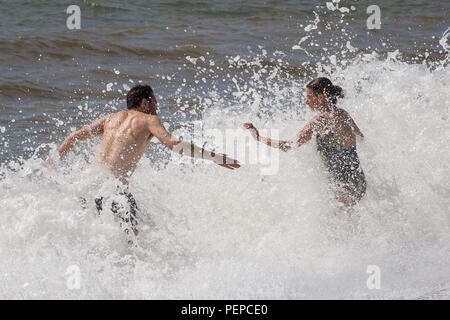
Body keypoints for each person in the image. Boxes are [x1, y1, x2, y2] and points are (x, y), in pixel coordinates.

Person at [57, 84, 240, 236]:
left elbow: (73, 137)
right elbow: (173, 144)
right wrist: (214, 157)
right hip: (115, 191)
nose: (157, 108)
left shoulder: (110, 119)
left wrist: (51, 162)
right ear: (145, 102)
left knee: (92, 234)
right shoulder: (149, 120)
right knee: (133, 238)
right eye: (155, 103)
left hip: (90, 187)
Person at [243, 77, 366, 207]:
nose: (307, 102)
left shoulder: (319, 121)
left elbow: (287, 146)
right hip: (359, 182)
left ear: (321, 97)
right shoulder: (343, 114)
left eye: (309, 97)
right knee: (346, 221)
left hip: (342, 187)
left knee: (335, 222)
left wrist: (258, 138)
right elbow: (361, 137)